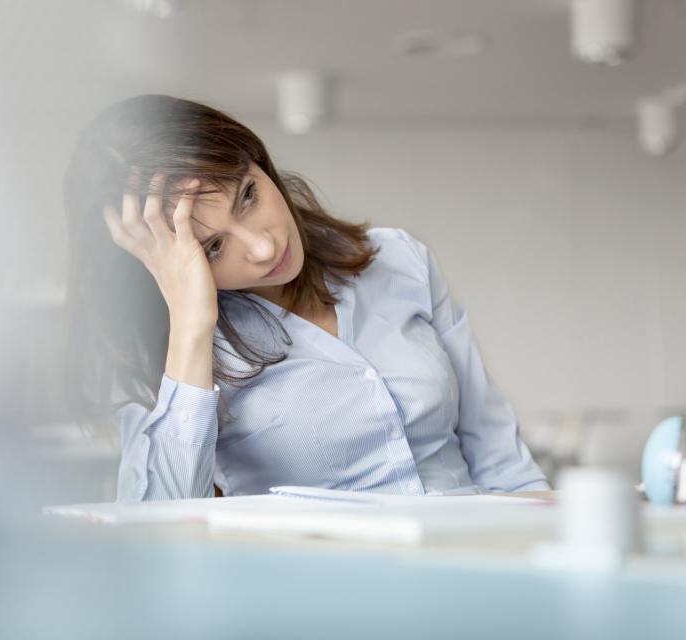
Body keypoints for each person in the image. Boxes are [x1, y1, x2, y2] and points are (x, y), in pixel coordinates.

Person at [62, 94, 549, 502]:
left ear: (260, 162)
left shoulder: (399, 259)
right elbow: (158, 533)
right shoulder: (167, 357)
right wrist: (192, 323)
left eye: (248, 196)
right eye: (212, 247)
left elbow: (502, 461)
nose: (263, 246)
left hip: (477, 576)